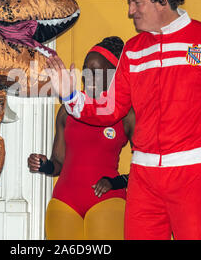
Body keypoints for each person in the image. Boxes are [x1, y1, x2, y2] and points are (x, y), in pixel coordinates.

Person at [47, 0, 201, 240]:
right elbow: (111, 108)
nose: (130, 12)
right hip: (143, 177)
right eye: (130, 4)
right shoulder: (133, 49)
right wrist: (70, 95)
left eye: (137, 3)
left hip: (194, 173)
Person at [28, 36, 135, 240]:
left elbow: (146, 169)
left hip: (107, 201)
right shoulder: (68, 110)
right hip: (64, 202)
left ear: (115, 76)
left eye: (97, 73)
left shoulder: (127, 114)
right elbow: (58, 163)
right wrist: (45, 165)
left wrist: (116, 182)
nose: (88, 77)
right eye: (86, 70)